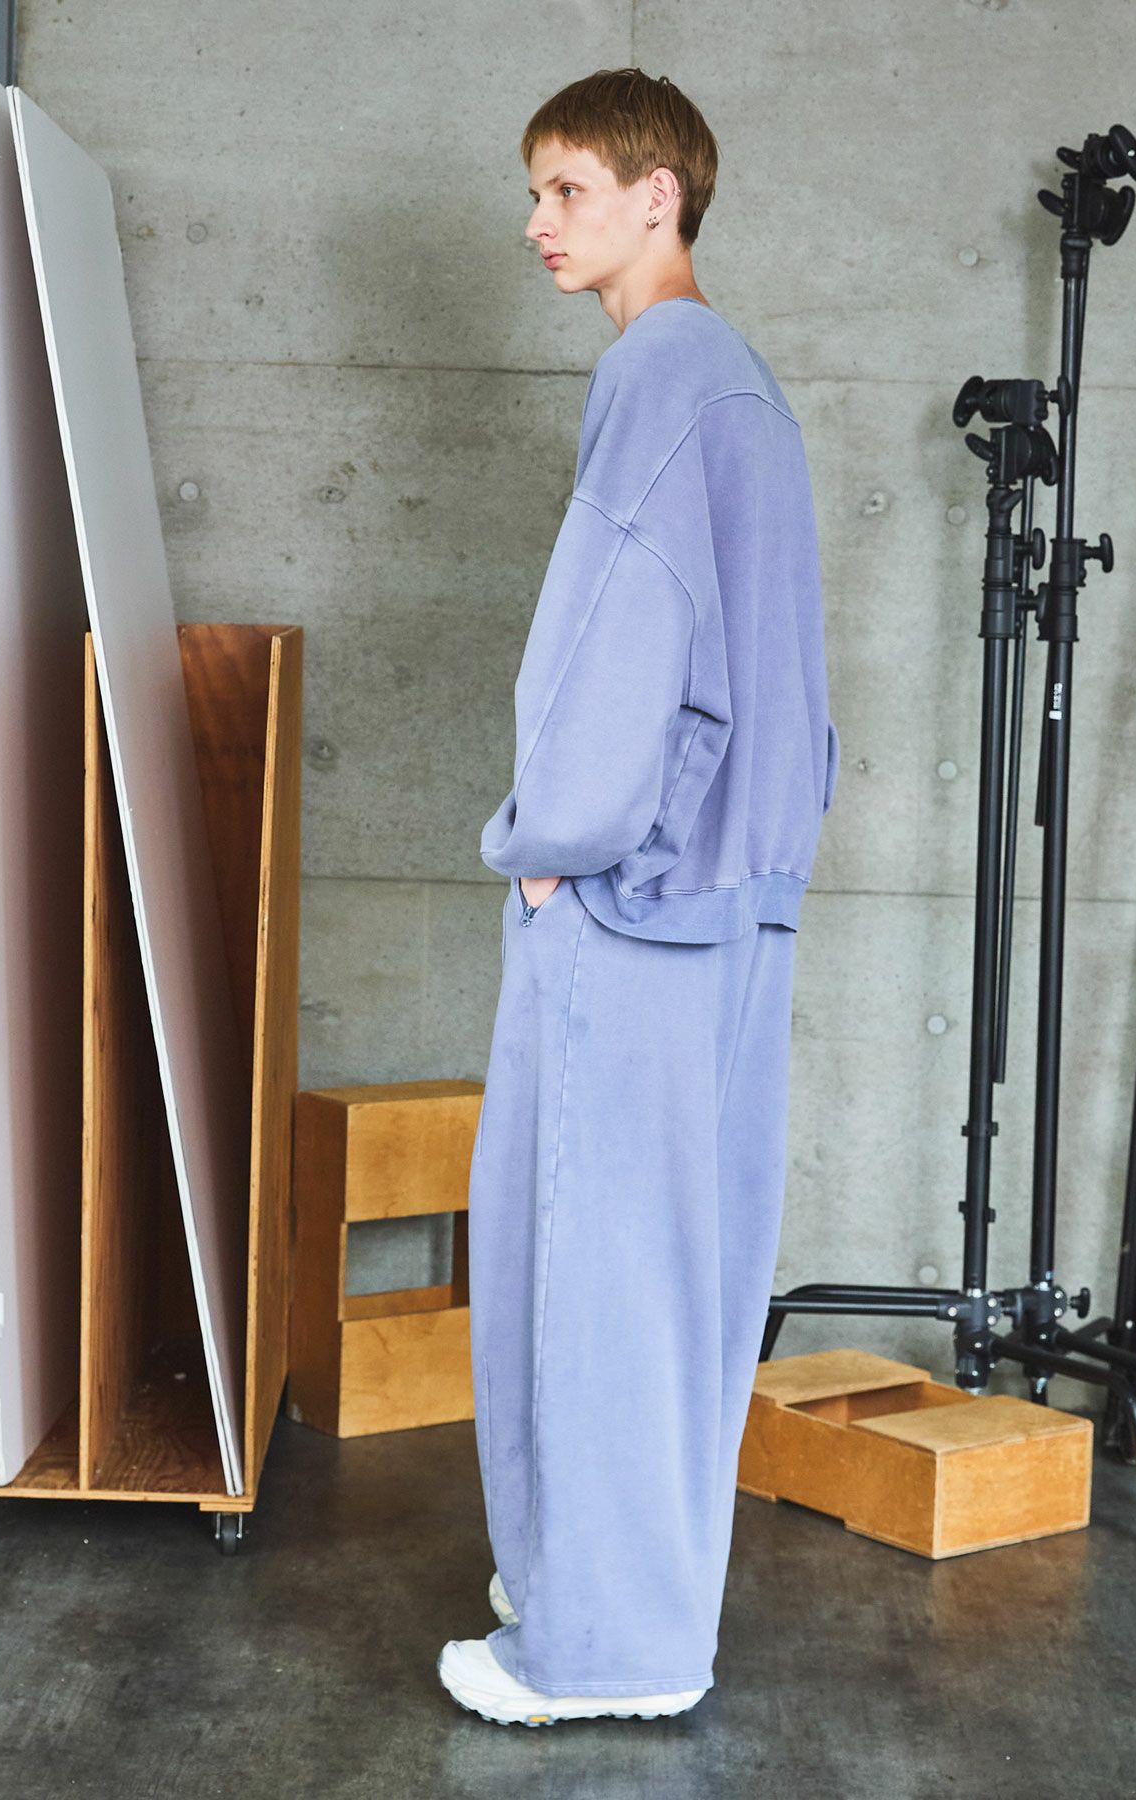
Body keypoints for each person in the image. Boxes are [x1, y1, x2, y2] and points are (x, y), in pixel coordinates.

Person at [438, 66, 840, 1727]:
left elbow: (617, 646)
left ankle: (601, 1651)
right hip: (731, 900)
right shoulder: (739, 382)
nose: (538, 222)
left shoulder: (661, 373)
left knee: (592, 1266)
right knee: (674, 1273)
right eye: (535, 190)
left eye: (570, 189)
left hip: (635, 900)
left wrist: (555, 843)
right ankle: (591, 1587)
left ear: (659, 195)